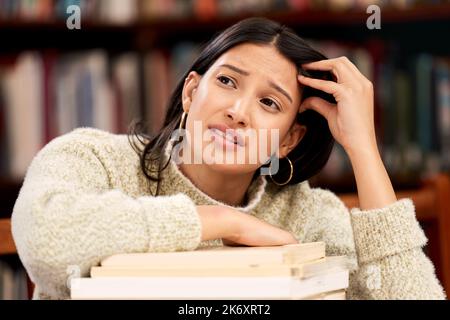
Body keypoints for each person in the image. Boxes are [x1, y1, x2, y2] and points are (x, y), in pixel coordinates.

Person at [11, 17, 445, 300]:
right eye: (226, 81)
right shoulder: (91, 157)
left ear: (289, 140)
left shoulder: (306, 213)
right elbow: (48, 243)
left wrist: (363, 148)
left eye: (270, 104)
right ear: (190, 91)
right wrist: (224, 222)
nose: (238, 111)